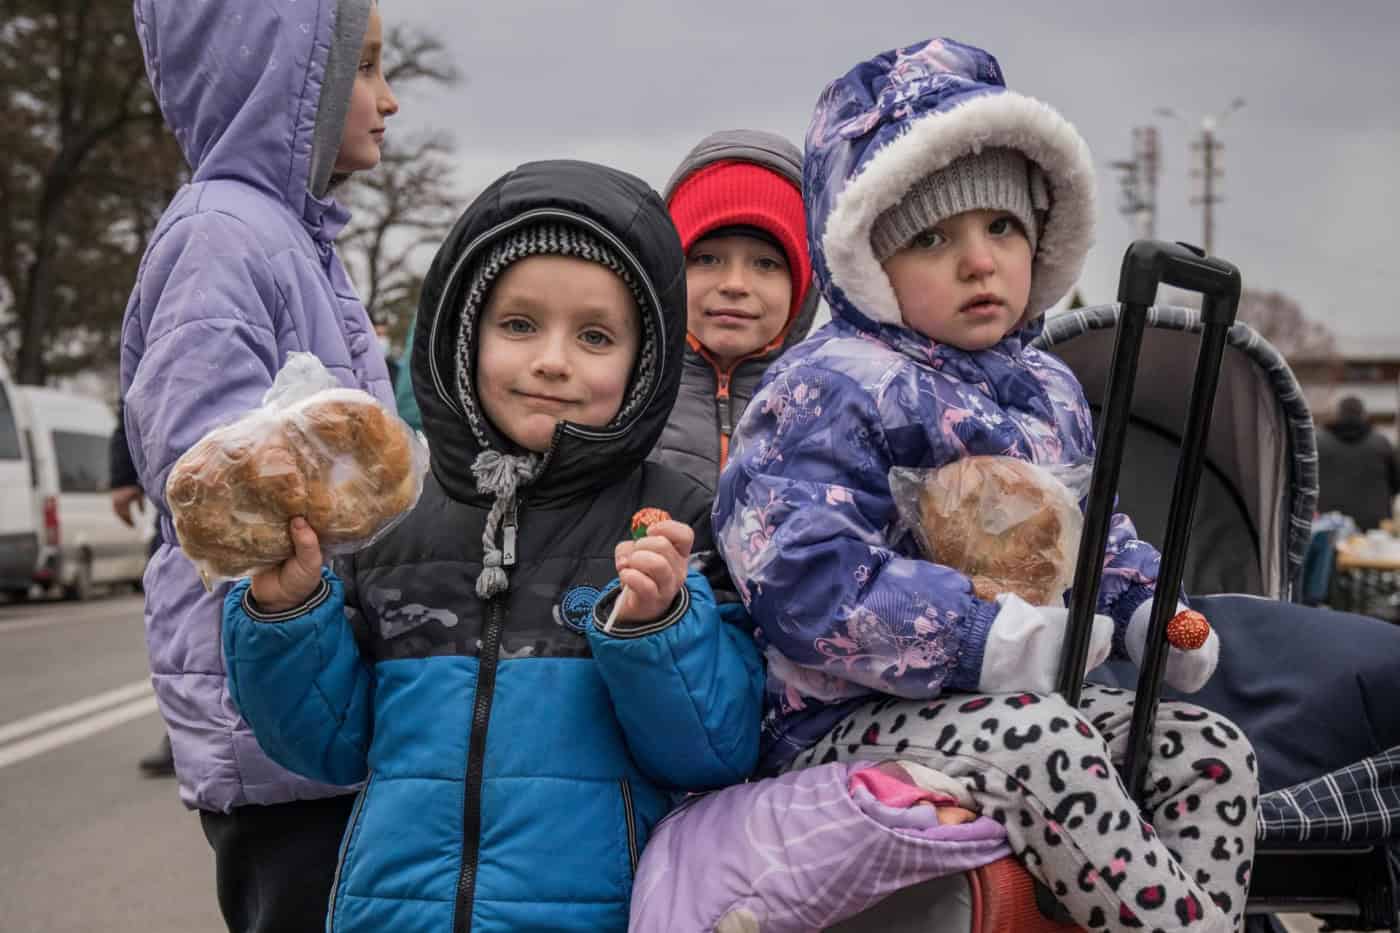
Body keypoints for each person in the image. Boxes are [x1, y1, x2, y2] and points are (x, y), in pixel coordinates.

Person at [715, 38, 1258, 932]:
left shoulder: (1046, 388)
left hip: (1017, 708)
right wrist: (984, 637)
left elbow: (1094, 529)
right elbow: (801, 574)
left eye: (1001, 227)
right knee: (1048, 747)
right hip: (847, 724)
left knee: (1208, 751)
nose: (980, 262)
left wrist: (1150, 606)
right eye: (934, 237)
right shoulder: (829, 385)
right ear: (870, 260)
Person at [220, 159, 763, 932]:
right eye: (518, 324)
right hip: (394, 913)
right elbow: (327, 746)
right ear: (462, 334)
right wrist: (286, 611)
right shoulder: (392, 516)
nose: (551, 358)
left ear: (644, 362)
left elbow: (713, 749)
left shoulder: (673, 518)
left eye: (595, 335)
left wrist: (660, 625)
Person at [119, 1, 399, 929]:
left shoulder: (289, 235)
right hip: (269, 707)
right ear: (284, 83)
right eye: (362, 69)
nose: (388, 100)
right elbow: (212, 477)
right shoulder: (222, 235)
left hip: (309, 685)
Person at [650, 130, 821, 495]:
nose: (735, 283)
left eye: (766, 263)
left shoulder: (832, 408)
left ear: (804, 286)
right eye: (707, 259)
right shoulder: (621, 397)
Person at [109, 399, 174, 778]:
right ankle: (184, 730)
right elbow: (134, 394)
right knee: (176, 626)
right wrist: (122, 474)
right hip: (180, 491)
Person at [1315, 395, 1400, 531]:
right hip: (1374, 525)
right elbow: (1396, 484)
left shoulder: (1318, 443)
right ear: (1363, 415)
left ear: (1338, 414)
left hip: (1329, 524)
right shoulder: (1381, 443)